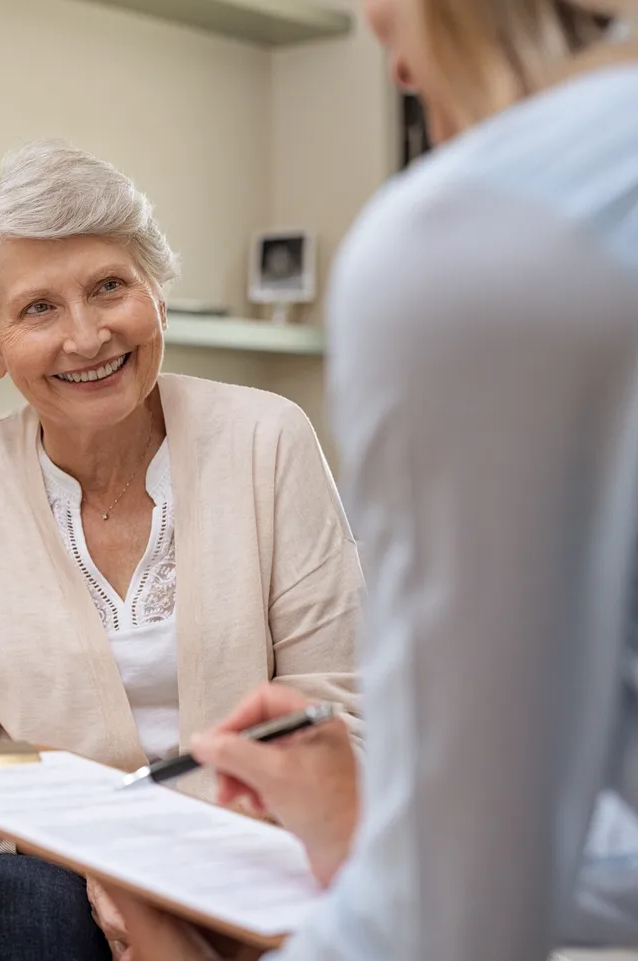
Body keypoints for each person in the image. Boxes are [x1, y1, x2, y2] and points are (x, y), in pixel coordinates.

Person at [113, 1, 638, 958]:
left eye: (389, 24)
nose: (393, 64)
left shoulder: (476, 237)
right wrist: (381, 836)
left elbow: (451, 920)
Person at [0, 141, 365, 961]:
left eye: (109, 286)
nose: (87, 335)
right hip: (23, 861)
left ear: (155, 293)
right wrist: (99, 859)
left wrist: (180, 867)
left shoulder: (268, 439)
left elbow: (335, 704)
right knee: (34, 916)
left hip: (244, 847)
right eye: (38, 309)